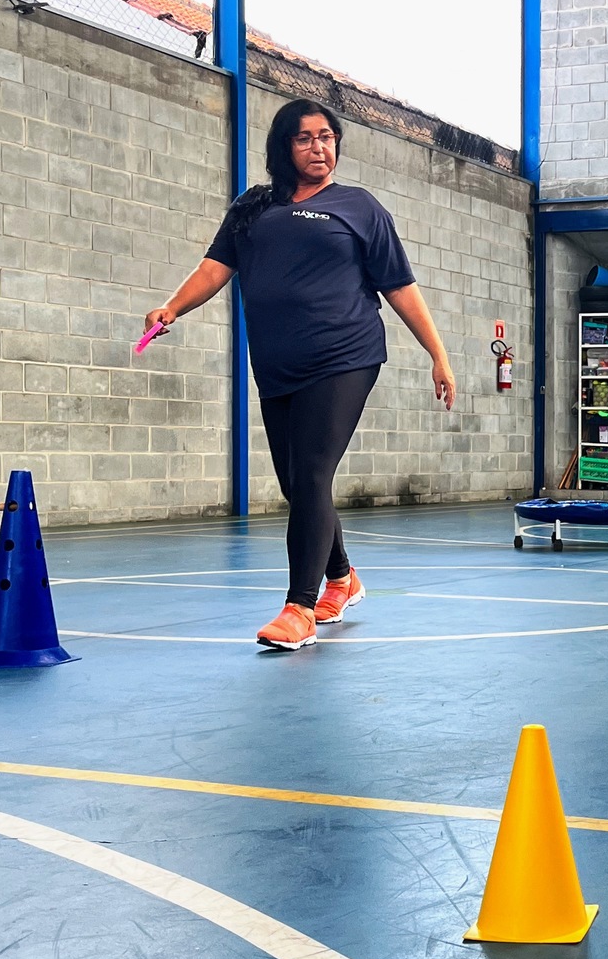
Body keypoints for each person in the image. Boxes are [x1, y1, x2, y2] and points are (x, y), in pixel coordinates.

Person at [144, 99, 457, 649]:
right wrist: (171, 308)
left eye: (328, 137)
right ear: (282, 147)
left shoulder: (358, 207)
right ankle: (343, 577)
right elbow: (215, 268)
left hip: (345, 355)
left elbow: (399, 286)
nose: (320, 148)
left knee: (312, 472)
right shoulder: (253, 207)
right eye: (306, 138)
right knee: (297, 483)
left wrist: (438, 354)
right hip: (277, 362)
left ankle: (300, 608)